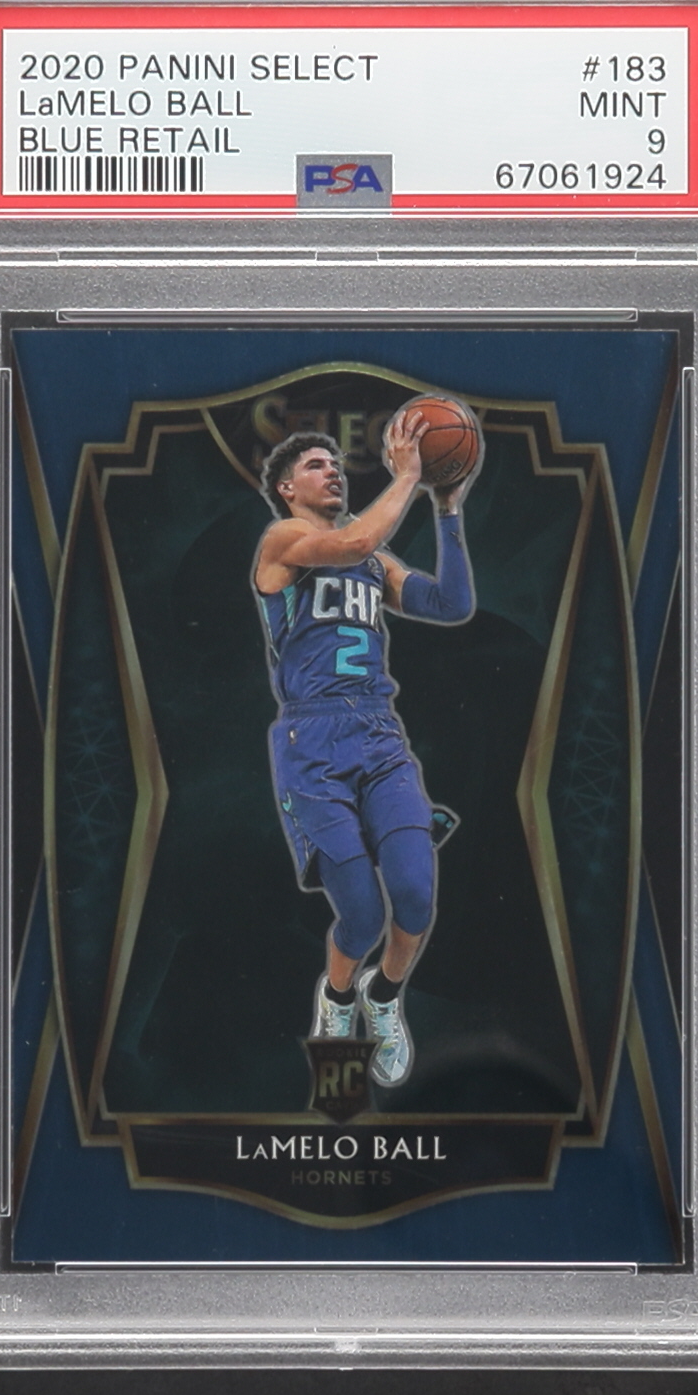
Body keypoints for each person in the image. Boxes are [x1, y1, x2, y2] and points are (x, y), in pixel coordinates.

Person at [252, 409, 477, 1085]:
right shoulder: (283, 539)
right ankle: (337, 994)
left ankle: (383, 997)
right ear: (287, 488)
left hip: (378, 733)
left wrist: (446, 507)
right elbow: (350, 542)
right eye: (314, 465)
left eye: (334, 463)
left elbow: (451, 605)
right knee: (361, 914)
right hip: (312, 740)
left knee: (414, 895)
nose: (332, 472)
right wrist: (407, 474)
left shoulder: (374, 561)